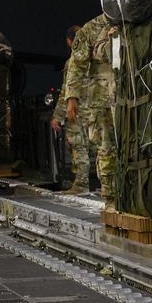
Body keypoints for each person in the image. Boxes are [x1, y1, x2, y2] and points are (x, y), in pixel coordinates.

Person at [64, 14, 117, 210]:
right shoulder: (92, 28)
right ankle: (111, 198)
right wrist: (72, 98)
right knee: (106, 147)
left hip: (131, 95)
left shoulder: (134, 20)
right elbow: (77, 65)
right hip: (102, 99)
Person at [51, 25, 99, 194]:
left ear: (69, 41)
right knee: (100, 147)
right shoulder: (96, 58)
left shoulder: (73, 61)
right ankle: (107, 185)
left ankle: (81, 184)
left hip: (77, 111)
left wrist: (57, 116)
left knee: (79, 147)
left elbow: (67, 91)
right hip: (96, 110)